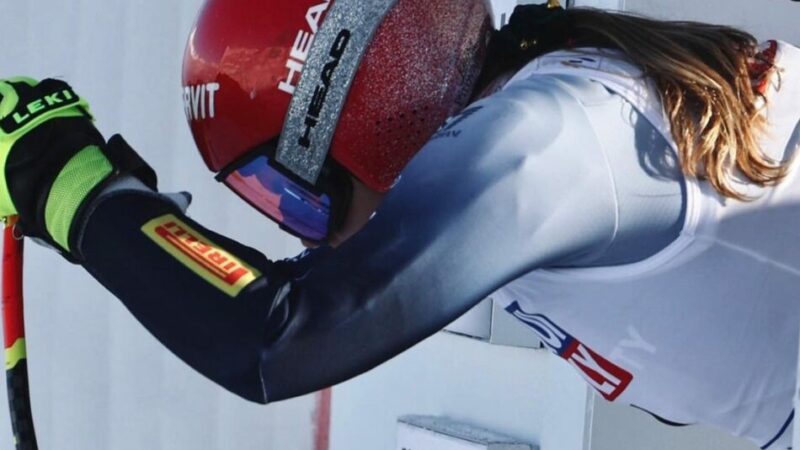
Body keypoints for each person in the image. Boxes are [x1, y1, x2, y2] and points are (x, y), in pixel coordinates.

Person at [0, 0, 798, 447]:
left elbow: (277, 337)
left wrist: (66, 185)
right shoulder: (555, 126)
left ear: (350, 112)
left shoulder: (553, 136)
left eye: (292, 192)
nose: (308, 232)